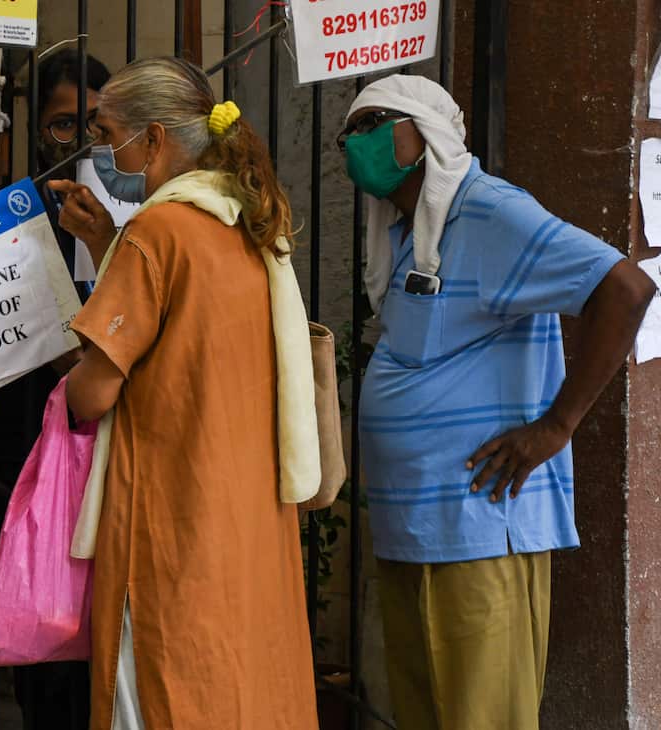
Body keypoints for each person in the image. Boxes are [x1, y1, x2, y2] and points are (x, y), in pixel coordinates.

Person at [341, 76, 655, 730]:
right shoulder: (407, 235)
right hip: (415, 532)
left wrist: (555, 427)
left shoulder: (487, 210)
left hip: (480, 529)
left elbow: (624, 288)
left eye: (372, 123)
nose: (354, 141)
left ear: (421, 134)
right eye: (350, 130)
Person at [59, 56, 318, 729]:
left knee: (160, 691)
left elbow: (92, 395)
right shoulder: (248, 222)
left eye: (106, 131)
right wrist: (105, 244)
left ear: (152, 140)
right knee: (240, 689)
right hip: (245, 518)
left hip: (167, 523)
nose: (100, 150)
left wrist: (70, 371)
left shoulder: (158, 231)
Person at [0, 48, 111, 730]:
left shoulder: (147, 209)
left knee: (104, 644)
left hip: (112, 454)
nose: (83, 141)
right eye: (65, 125)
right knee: (42, 643)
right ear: (39, 129)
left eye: (97, 123)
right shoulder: (15, 215)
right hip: (26, 450)